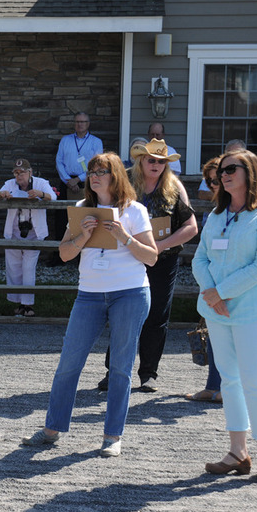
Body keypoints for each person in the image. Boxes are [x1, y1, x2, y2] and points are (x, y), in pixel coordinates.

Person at [22, 152, 156, 458]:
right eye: (91, 171)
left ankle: (112, 436)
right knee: (69, 363)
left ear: (116, 175)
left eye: (101, 171)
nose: (94, 176)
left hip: (130, 293)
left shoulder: (134, 211)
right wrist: (82, 236)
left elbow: (151, 257)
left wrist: (124, 236)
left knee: (121, 368)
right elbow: (65, 254)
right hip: (90, 294)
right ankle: (52, 429)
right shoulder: (82, 209)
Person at [192, 149, 257, 485]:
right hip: (218, 311)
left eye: (232, 168)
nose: (224, 174)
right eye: (221, 169)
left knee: (255, 380)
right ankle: (237, 452)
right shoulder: (217, 215)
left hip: (254, 310)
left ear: (251, 172)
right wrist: (211, 292)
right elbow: (199, 259)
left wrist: (222, 291)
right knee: (229, 380)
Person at [97, 139, 197, 392]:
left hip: (163, 260)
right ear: (141, 160)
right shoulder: (124, 182)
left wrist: (159, 247)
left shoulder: (174, 187)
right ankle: (115, 372)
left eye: (161, 161)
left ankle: (148, 373)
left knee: (157, 315)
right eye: (151, 160)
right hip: (127, 257)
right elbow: (104, 209)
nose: (156, 165)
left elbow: (191, 227)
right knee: (123, 315)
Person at [0, 158, 56, 317]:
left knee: (28, 267)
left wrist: (41, 194)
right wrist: (2, 194)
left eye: (22, 172)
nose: (18, 176)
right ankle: (17, 303)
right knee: (14, 267)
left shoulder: (41, 183)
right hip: (14, 231)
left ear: (30, 172)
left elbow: (53, 197)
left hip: (34, 232)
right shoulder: (10, 184)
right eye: (16, 172)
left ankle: (27, 304)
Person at [185, 157, 224, 404]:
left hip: (233, 287)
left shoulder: (249, 211)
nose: (213, 185)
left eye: (217, 179)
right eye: (209, 181)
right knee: (212, 335)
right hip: (212, 282)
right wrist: (208, 285)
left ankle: (228, 389)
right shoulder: (214, 212)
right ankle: (212, 387)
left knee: (231, 340)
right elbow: (203, 253)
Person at [55, 112, 104, 200]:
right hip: (66, 182)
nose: (80, 124)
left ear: (88, 123)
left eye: (83, 122)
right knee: (63, 212)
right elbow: (59, 162)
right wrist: (68, 181)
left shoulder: (96, 142)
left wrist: (77, 179)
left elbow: (97, 165)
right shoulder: (65, 140)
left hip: (87, 182)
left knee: (85, 212)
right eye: (77, 122)